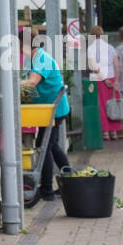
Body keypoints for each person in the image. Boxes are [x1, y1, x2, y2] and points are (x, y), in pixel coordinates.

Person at [21, 27, 69, 205]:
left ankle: (47, 189)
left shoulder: (41, 59)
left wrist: (11, 84)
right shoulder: (37, 58)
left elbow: (33, 81)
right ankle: (68, 179)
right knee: (52, 145)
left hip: (53, 111)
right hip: (51, 110)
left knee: (45, 146)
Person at [87, 25, 122, 141]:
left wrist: (103, 79)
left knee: (101, 106)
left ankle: (105, 132)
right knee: (112, 104)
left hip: (98, 79)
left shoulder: (91, 48)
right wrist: (116, 81)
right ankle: (114, 132)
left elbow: (94, 66)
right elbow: (117, 65)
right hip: (112, 78)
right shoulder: (110, 47)